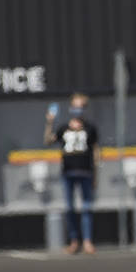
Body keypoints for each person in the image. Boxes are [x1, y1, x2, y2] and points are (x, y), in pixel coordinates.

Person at [45, 93, 100, 255]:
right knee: (69, 208)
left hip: (86, 172)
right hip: (68, 172)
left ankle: (88, 241)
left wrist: (96, 174)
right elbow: (48, 141)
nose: (78, 110)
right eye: (75, 106)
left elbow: (96, 151)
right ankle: (74, 241)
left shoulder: (90, 128)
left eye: (81, 106)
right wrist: (49, 123)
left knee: (87, 207)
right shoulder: (63, 128)